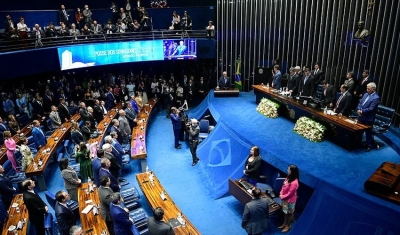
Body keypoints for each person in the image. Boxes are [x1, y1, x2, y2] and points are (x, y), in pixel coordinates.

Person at [356, 82, 380, 152]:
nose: (367, 89)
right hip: (361, 116)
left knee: (368, 133)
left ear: (373, 89)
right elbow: (360, 103)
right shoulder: (365, 94)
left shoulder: (376, 98)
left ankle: (369, 145)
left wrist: (362, 111)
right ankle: (358, 142)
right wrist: (359, 110)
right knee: (359, 131)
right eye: (366, 88)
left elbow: (371, 109)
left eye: (368, 88)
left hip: (368, 118)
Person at [278, 164, 300, 233]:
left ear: (292, 171)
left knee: (290, 213)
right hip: (284, 199)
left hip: (290, 201)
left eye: (289, 169)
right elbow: (283, 186)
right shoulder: (289, 177)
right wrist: (281, 193)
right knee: (285, 212)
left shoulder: (294, 183)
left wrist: (282, 196)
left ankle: (288, 225)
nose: (287, 170)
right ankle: (284, 223)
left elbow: (290, 194)